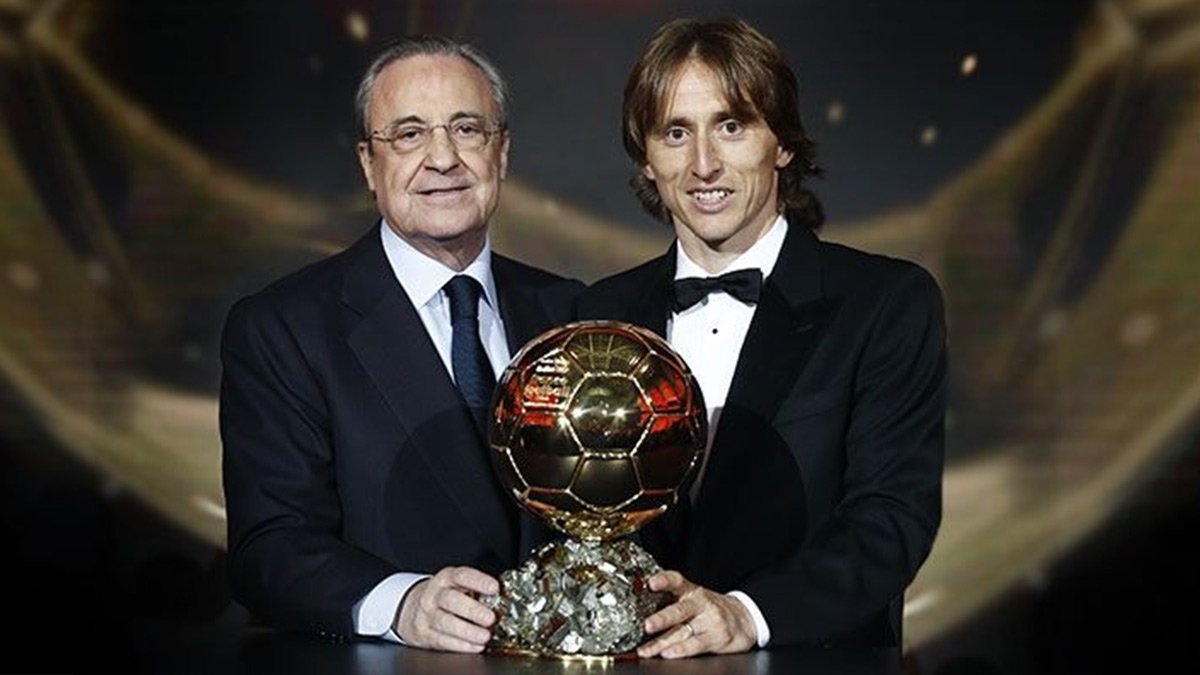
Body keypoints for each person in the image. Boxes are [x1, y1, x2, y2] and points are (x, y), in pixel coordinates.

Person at [577, 17, 947, 659]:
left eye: (731, 126)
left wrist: (748, 616)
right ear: (646, 158)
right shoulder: (599, 314)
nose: (703, 164)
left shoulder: (883, 302)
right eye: (675, 133)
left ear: (781, 144)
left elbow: (891, 520)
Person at [219, 35, 580, 653]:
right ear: (368, 163)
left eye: (467, 129)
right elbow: (270, 548)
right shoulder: (283, 328)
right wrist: (404, 604)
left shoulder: (571, 311)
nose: (443, 158)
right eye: (409, 135)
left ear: (501, 152)